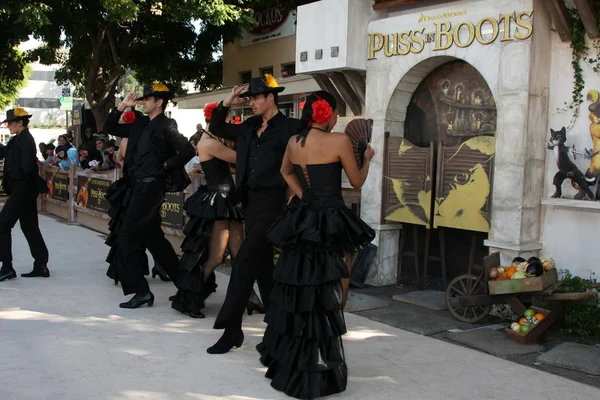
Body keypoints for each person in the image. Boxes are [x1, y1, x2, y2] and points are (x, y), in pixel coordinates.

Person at [256, 91, 375, 399]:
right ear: (326, 113)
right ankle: (322, 357)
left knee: (302, 288)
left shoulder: (295, 142)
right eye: (335, 112)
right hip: (332, 220)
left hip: (303, 218)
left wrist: (302, 194)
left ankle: (299, 355)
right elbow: (357, 181)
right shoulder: (339, 142)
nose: (337, 118)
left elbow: (285, 171)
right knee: (336, 285)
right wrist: (369, 159)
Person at [206, 74, 303, 354]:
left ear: (271, 97)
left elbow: (310, 148)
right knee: (263, 269)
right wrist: (227, 102)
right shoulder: (248, 126)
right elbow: (217, 126)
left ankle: (231, 329)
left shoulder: (289, 127)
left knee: (245, 260)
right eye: (248, 99)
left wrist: (297, 189)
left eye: (255, 98)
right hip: (249, 202)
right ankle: (279, 330)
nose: (251, 103)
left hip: (273, 204)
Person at [103, 83, 195, 309]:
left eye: (147, 99)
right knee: (155, 240)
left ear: (159, 102)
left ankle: (142, 291)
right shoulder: (140, 123)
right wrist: (123, 106)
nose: (143, 102)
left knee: (126, 239)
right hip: (136, 188)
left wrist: (166, 164)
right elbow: (108, 126)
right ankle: (188, 285)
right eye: (142, 99)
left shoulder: (166, 125)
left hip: (151, 188)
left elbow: (188, 150)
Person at [171, 102, 245, 318]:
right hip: (218, 200)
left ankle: (249, 298)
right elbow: (238, 159)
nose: (230, 122)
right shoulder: (209, 142)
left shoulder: (212, 140)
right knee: (215, 257)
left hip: (227, 199)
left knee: (240, 256)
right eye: (228, 118)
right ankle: (188, 300)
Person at [0, 108, 50, 282]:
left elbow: (28, 167)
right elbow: (6, 152)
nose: (8, 126)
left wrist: (28, 188)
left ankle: (7, 267)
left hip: (23, 189)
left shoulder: (26, 140)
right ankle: (41, 265)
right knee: (29, 227)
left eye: (10, 123)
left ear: (20, 122)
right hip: (22, 189)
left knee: (2, 225)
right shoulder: (17, 140)